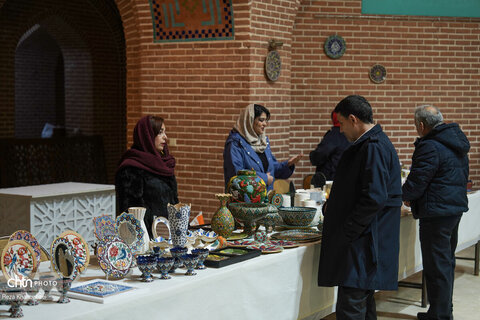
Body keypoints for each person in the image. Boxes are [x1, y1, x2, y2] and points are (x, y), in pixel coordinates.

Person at [317, 95, 402, 319]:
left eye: (342, 124)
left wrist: (347, 231)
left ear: (353, 119)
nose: (341, 131)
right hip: (363, 241)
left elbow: (374, 198)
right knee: (362, 305)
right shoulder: (370, 143)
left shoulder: (373, 146)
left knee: (351, 307)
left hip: (363, 243)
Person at [402, 105, 469, 320]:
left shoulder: (430, 146)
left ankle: (440, 315)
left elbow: (418, 181)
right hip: (452, 210)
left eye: (415, 126)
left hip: (436, 213)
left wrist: (403, 195)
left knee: (436, 266)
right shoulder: (455, 141)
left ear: (422, 125)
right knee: (445, 262)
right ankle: (442, 311)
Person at [115, 115, 179, 238]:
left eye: (164, 132)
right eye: (160, 133)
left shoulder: (164, 163)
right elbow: (132, 213)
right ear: (147, 136)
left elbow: (174, 201)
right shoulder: (131, 168)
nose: (165, 137)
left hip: (168, 235)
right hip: (146, 239)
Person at [223, 104, 302, 192]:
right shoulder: (235, 143)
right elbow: (236, 174)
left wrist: (288, 165)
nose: (265, 124)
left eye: (266, 121)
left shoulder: (263, 142)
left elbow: (272, 169)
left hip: (265, 199)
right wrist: (264, 179)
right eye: (261, 120)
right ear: (250, 121)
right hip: (244, 202)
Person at [309, 110, 350, 186]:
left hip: (331, 180)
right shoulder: (353, 134)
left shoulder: (334, 135)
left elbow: (320, 155)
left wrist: (313, 156)